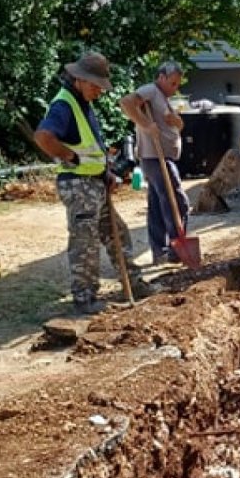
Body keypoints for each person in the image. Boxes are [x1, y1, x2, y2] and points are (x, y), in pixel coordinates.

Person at [34, 51, 156, 315]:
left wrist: (105, 174)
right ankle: (85, 297)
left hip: (93, 182)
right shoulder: (63, 105)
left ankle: (132, 283)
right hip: (79, 186)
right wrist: (70, 157)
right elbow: (43, 137)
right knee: (85, 242)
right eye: (97, 86)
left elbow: (91, 147)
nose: (100, 91)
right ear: (79, 79)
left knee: (117, 234)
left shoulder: (81, 103)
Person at [119, 61, 189, 265]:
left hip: (161, 157)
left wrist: (177, 121)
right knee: (176, 201)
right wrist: (147, 125)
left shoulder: (163, 98)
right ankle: (177, 247)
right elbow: (126, 103)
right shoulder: (150, 90)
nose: (175, 89)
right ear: (161, 78)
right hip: (155, 157)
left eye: (178, 84)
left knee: (158, 206)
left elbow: (177, 125)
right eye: (173, 83)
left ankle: (161, 251)